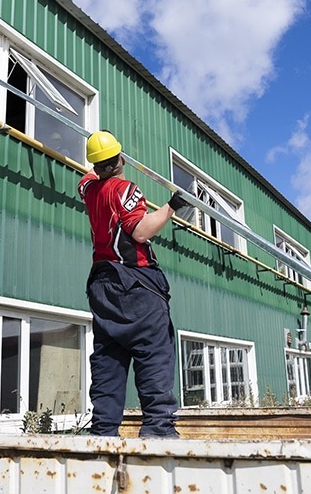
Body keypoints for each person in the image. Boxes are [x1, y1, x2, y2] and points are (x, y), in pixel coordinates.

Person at [78, 131, 192, 438]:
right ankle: (157, 428)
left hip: (103, 285)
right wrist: (171, 206)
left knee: (108, 355)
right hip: (136, 281)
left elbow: (89, 176)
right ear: (121, 159)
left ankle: (103, 431)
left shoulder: (89, 190)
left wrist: (102, 163)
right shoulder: (124, 189)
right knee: (153, 349)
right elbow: (140, 231)